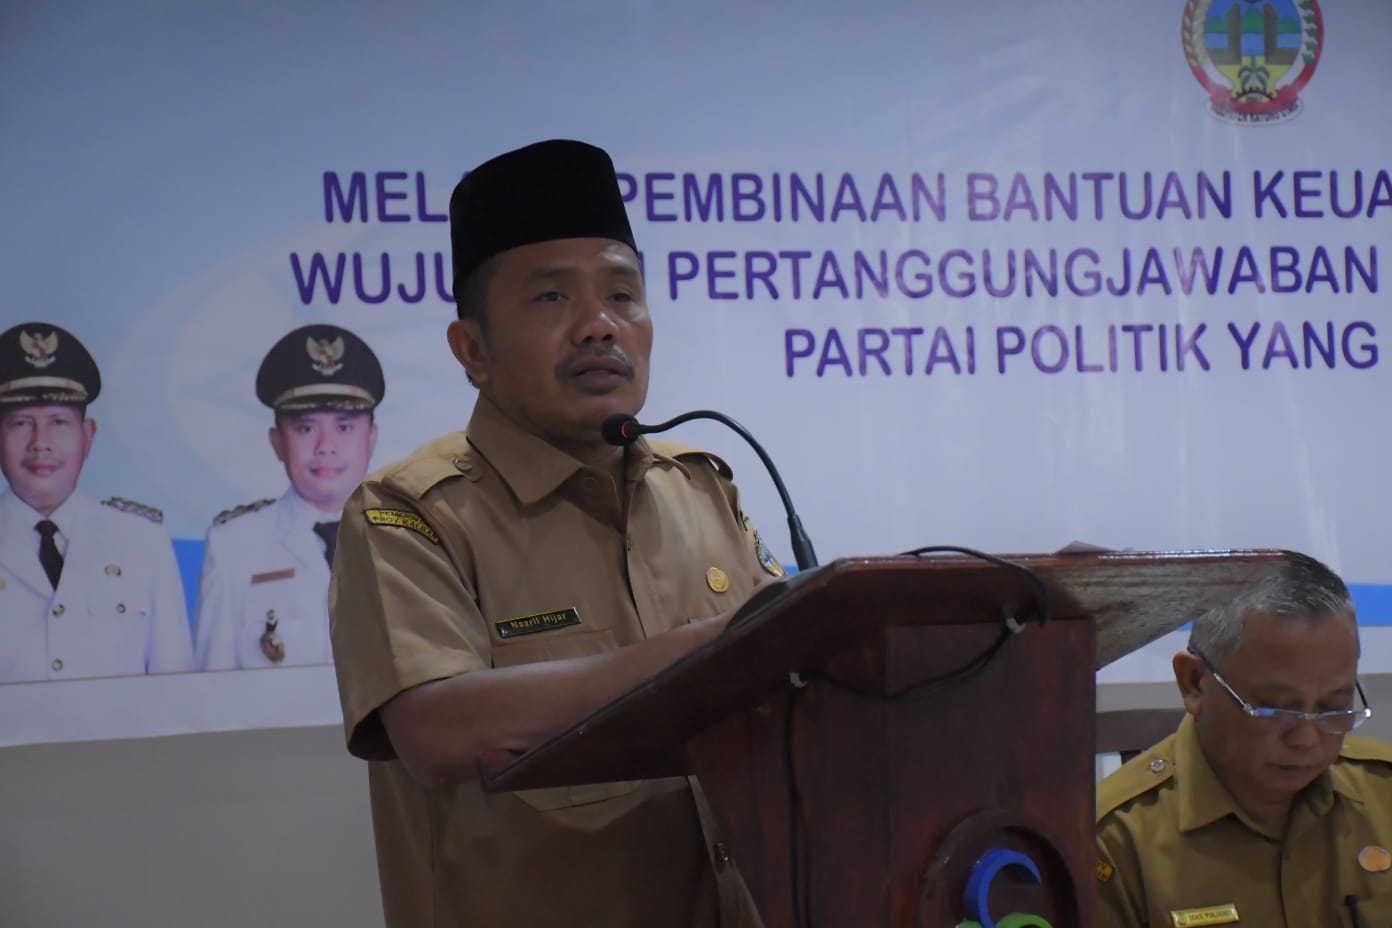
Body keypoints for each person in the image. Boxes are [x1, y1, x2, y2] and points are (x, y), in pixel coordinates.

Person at [328, 140, 784, 928]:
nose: (599, 327)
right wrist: (710, 651)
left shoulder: (700, 488)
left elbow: (799, 672)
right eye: (551, 298)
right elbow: (436, 729)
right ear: (473, 349)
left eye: (623, 295)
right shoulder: (409, 513)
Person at [1096, 552, 1392, 926]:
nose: (1306, 739)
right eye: (1275, 709)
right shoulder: (1114, 842)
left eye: (1333, 707)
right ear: (1194, 683)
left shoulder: (1383, 794)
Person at [0, 322, 192, 683]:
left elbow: (176, 689)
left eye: (58, 422)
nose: (40, 443)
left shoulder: (143, 543)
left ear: (87, 437)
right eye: (22, 423)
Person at [194, 324, 383, 670]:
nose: (326, 446)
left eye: (344, 427)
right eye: (306, 428)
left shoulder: (410, 537)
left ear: (371, 438)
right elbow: (213, 690)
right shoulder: (233, 547)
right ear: (277, 442)